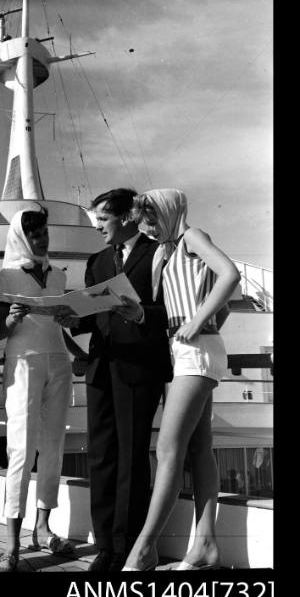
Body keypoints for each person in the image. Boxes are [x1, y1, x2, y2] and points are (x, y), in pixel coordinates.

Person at [121, 188, 240, 571]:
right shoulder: (169, 250)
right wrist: (205, 321)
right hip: (189, 350)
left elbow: (230, 275)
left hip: (195, 351)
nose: (149, 228)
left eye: (152, 219)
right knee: (197, 450)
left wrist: (198, 322)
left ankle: (144, 549)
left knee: (168, 451)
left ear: (170, 211)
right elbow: (225, 297)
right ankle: (206, 548)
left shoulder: (192, 237)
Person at [55, 188, 173, 571]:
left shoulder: (158, 254)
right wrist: (72, 318)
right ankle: (105, 544)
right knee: (102, 455)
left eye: (103, 219)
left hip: (141, 366)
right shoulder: (98, 260)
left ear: (126, 218)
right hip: (102, 365)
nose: (98, 227)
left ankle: (126, 548)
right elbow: (94, 315)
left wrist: (140, 314)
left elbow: (170, 311)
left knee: (131, 456)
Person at [0, 206, 88, 572]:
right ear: (20, 237)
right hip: (24, 360)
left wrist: (81, 350)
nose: (41, 239)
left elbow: (62, 327)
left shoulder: (59, 277)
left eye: (44, 232)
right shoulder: (6, 277)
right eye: (34, 234)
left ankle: (43, 527)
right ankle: (11, 542)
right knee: (21, 448)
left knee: (54, 445)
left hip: (58, 362)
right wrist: (11, 320)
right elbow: (1, 330)